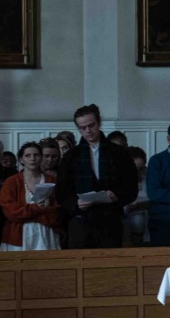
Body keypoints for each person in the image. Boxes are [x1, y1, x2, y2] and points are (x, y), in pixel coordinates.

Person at [57, 105, 139, 248]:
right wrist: (76, 203)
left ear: (99, 122)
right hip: (81, 221)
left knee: (110, 260)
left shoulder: (119, 153)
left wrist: (117, 196)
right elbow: (62, 191)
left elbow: (131, 186)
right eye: (83, 128)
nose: (88, 131)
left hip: (111, 219)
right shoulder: (71, 156)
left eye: (91, 125)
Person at [0, 141, 62, 251]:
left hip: (45, 233)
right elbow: (10, 211)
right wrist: (37, 208)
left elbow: (57, 210)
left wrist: (30, 214)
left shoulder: (51, 180)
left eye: (36, 155)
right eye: (28, 155)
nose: (32, 159)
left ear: (41, 157)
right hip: (18, 235)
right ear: (21, 159)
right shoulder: (11, 182)